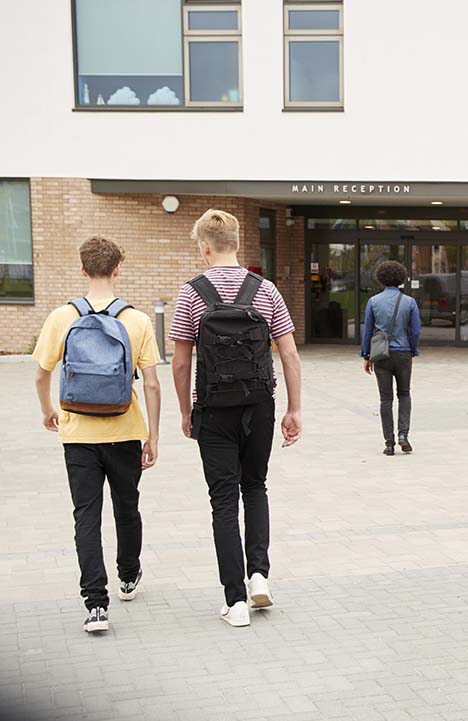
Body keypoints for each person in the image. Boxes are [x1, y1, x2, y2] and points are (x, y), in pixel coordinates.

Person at [170, 209, 303, 629]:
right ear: (239, 243)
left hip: (213, 408)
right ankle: (259, 574)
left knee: (223, 500)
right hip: (259, 405)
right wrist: (293, 409)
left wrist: (185, 410)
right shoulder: (265, 290)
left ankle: (235, 601)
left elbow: (179, 361)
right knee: (255, 485)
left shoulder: (191, 294)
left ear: (203, 247)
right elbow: (289, 354)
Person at [32, 236, 161, 634]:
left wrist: (48, 411)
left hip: (77, 433)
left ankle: (96, 606)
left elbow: (41, 373)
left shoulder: (61, 318)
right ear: (118, 268)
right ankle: (128, 575)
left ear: (83, 270)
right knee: (127, 507)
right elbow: (153, 385)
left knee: (86, 515)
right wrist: (152, 436)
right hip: (124, 432)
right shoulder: (136, 320)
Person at [361, 260, 421, 456]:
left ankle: (389, 443)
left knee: (385, 399)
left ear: (381, 278)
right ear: (400, 278)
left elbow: (368, 330)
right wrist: (412, 350)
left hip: (381, 355)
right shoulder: (410, 302)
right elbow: (415, 331)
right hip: (403, 353)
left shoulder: (373, 302)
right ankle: (403, 434)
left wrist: (366, 355)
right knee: (404, 394)